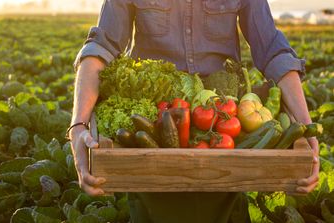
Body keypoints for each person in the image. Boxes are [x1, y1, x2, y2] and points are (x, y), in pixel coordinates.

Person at [68, 0, 320, 222]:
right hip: (155, 124)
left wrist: (306, 130)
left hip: (222, 120)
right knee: (155, 208)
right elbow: (100, 48)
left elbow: (273, 51)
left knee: (224, 202)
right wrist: (78, 126)